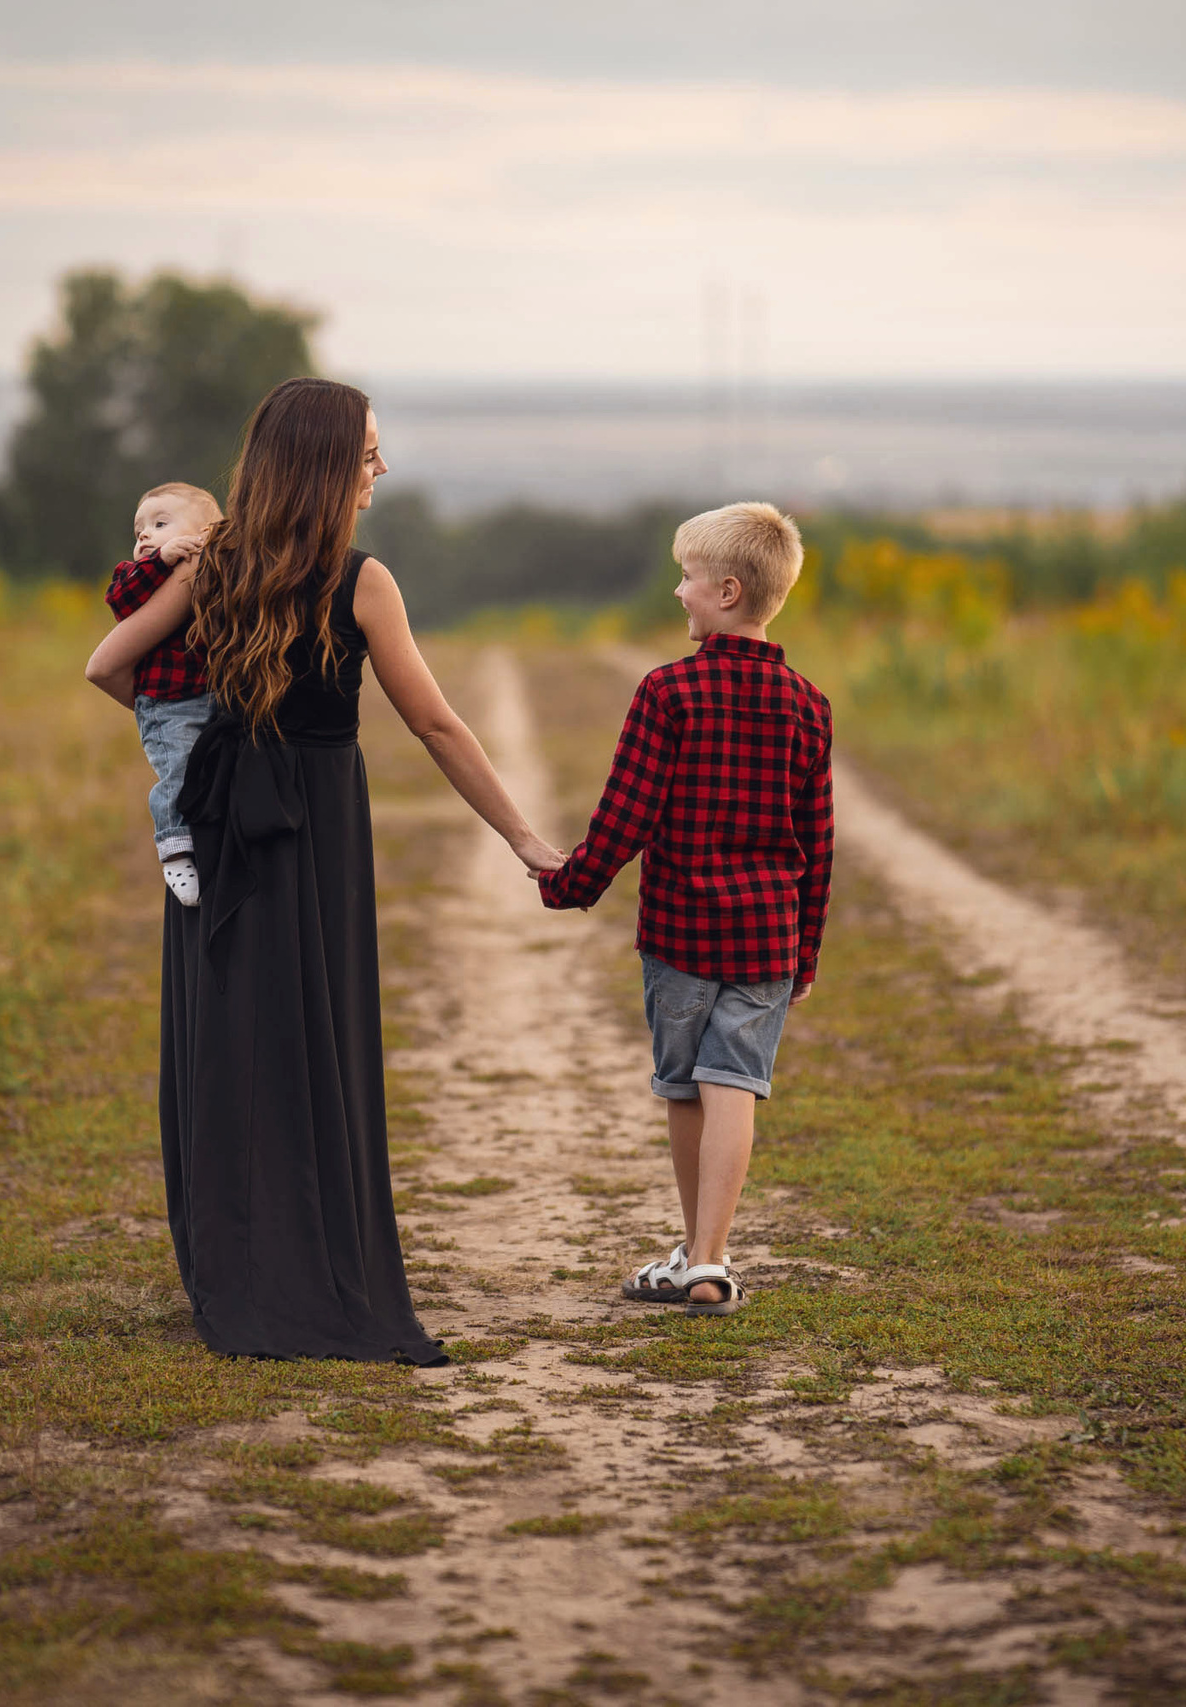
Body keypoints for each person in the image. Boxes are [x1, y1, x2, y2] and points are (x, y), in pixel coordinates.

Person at [160, 377, 563, 1363]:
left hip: (218, 815)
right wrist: (522, 837)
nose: (380, 468)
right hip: (311, 821)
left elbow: (128, 676)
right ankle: (309, 1262)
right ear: (326, 464)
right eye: (368, 451)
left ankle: (234, 1265)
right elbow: (432, 720)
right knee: (312, 1040)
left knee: (229, 1039)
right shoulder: (360, 580)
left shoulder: (208, 568)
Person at [538, 502, 833, 1316]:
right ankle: (710, 1257)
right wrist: (804, 953)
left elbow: (626, 816)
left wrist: (569, 882)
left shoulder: (669, 691)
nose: (678, 591)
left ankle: (695, 1255)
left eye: (689, 579)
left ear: (728, 591)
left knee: (684, 1087)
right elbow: (819, 845)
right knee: (735, 1080)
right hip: (768, 939)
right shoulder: (810, 705)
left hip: (681, 936)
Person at [84, 482, 222, 907]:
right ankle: (175, 849)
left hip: (208, 697)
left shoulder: (209, 571)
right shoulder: (135, 574)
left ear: (204, 535)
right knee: (177, 772)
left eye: (160, 524)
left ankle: (207, 841)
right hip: (167, 704)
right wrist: (162, 559)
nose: (144, 535)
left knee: (211, 774)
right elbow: (121, 603)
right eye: (139, 528)